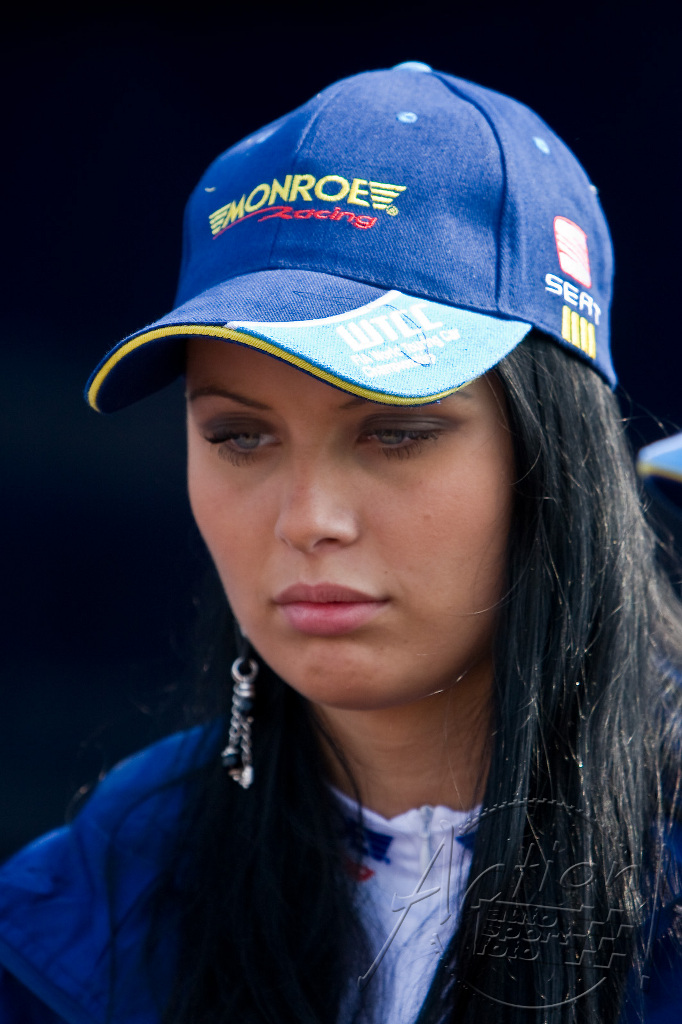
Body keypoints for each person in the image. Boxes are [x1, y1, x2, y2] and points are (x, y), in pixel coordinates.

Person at [1, 61, 681, 1024]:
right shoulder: (92, 900)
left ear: (556, 455)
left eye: (395, 432)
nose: (307, 517)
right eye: (240, 437)